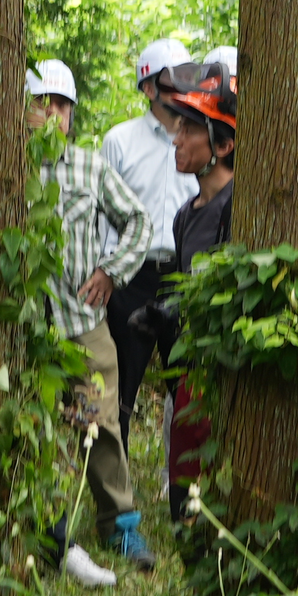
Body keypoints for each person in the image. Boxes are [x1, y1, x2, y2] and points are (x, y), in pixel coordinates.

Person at [31, 60, 161, 586]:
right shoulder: (2, 168)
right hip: (25, 332)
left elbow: (138, 220)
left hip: (83, 324)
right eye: (43, 104)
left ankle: (120, 524)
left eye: (63, 106)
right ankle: (47, 529)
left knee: (99, 423)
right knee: (35, 429)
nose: (53, 116)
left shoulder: (89, 168)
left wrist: (112, 271)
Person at [152, 59, 239, 520]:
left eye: (189, 130)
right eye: (177, 127)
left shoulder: (239, 210)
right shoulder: (187, 213)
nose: (176, 139)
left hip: (228, 373)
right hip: (192, 368)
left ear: (222, 144)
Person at [99, 36, 192, 436]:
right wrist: (107, 272)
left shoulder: (203, 138)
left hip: (183, 279)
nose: (184, 88)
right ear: (149, 86)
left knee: (189, 390)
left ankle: (183, 485)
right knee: (120, 388)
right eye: (174, 81)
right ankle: (114, 490)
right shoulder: (119, 141)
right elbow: (101, 214)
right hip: (130, 278)